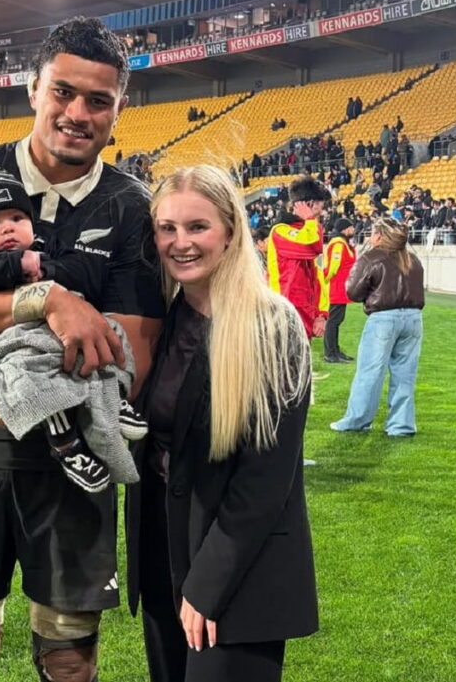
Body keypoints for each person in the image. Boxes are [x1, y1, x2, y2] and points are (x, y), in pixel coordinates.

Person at [0, 17, 164, 682]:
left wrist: (25, 404)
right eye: (63, 92)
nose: (78, 113)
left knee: (69, 657)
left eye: (98, 100)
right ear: (34, 89)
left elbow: (128, 353)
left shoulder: (131, 205)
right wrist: (45, 301)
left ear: (119, 108)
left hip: (76, 465)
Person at [127, 165, 317, 682]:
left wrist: (206, 587)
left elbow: (264, 482)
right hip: (165, 559)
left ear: (230, 232)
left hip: (239, 572)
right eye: (167, 228)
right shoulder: (164, 321)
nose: (180, 242)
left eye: (197, 227)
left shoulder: (273, 326)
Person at [0, 164, 148, 491]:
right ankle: (66, 446)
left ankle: (115, 398)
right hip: (16, 341)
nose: (7, 229)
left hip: (67, 333)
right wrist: (18, 265)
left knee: (112, 334)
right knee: (31, 377)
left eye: (17, 218)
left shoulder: (45, 247)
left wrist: (46, 268)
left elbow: (82, 270)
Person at [331, 218, 424, 437]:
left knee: (370, 371)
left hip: (383, 318)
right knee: (405, 373)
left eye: (372, 233)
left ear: (379, 236)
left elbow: (353, 291)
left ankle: (357, 420)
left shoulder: (371, 257)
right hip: (413, 318)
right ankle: (401, 425)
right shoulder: (412, 258)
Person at [266, 176, 329, 339]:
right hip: (283, 313)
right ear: (308, 204)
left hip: (306, 313)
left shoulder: (312, 229)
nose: (321, 212)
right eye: (319, 207)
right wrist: (310, 220)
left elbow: (319, 277)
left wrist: (321, 314)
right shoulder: (280, 231)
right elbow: (309, 246)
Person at [322, 219, 356, 363]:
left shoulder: (342, 243)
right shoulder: (338, 244)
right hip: (337, 287)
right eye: (351, 227)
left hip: (341, 287)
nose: (353, 230)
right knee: (333, 321)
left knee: (336, 320)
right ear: (344, 229)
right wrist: (326, 281)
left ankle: (335, 351)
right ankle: (330, 353)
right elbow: (333, 267)